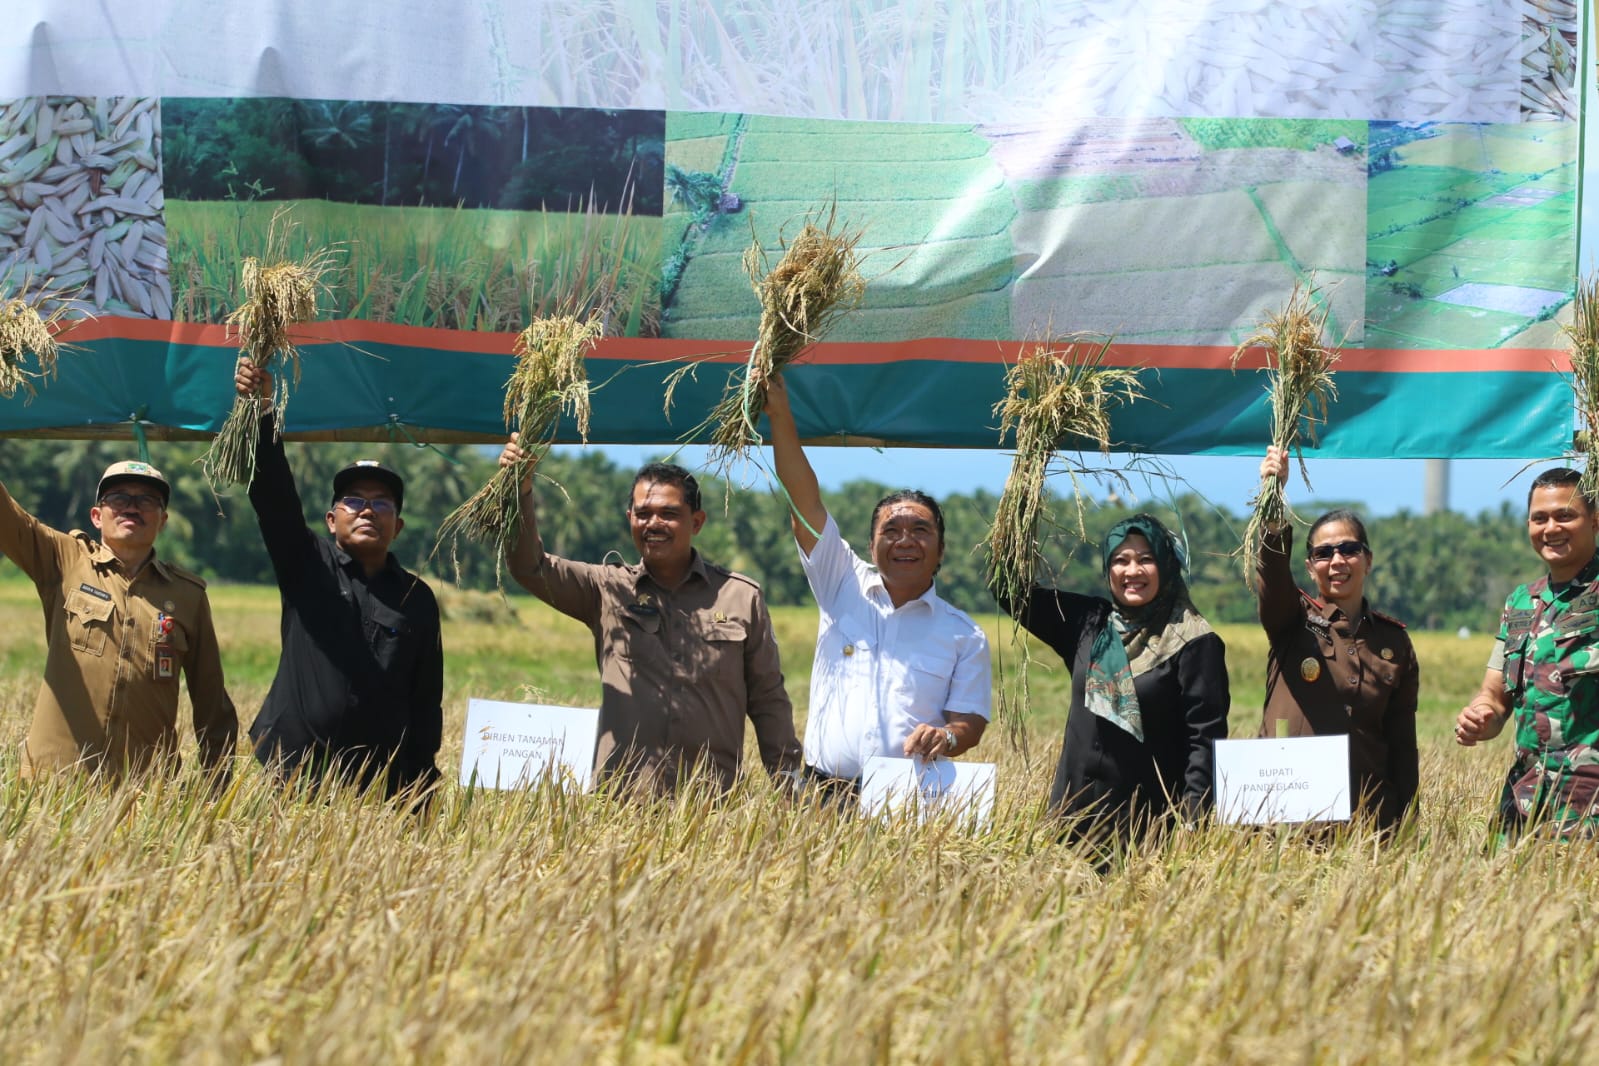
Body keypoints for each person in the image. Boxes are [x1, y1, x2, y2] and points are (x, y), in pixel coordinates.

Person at [499, 435, 801, 794]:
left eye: (669, 514)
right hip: (621, 803)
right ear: (630, 519)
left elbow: (768, 698)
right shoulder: (605, 588)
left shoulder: (740, 596)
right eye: (643, 514)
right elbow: (530, 568)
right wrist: (518, 489)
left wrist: (788, 784)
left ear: (697, 521)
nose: (653, 523)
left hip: (711, 807)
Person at [763, 374, 990, 800]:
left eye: (920, 530)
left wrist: (948, 737)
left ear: (941, 550)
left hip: (907, 800)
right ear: (871, 545)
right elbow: (803, 500)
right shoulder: (841, 583)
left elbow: (970, 721)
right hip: (819, 795)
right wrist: (780, 416)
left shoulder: (964, 635)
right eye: (892, 530)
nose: (905, 541)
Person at [235, 359, 442, 801]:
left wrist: (421, 786)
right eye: (354, 501)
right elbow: (273, 497)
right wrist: (260, 411)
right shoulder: (307, 565)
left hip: (377, 789)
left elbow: (426, 701)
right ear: (331, 520)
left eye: (382, 503)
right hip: (292, 777)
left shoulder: (415, 598)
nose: (367, 510)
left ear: (398, 526)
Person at [0, 458, 236, 780]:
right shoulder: (64, 560)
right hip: (54, 781)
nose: (132, 507)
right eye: (119, 498)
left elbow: (211, 702)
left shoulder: (188, 595)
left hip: (143, 792)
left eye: (147, 500)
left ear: (163, 520)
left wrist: (216, 791)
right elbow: (8, 519)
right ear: (97, 516)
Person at [998, 512, 1228, 842]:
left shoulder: (1192, 641)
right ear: (1108, 569)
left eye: (1146, 560)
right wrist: (1022, 500)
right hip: (1071, 824)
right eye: (1121, 560)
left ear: (1166, 565)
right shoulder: (1088, 622)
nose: (1132, 571)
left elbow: (1204, 739)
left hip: (1147, 831)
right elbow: (1008, 588)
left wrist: (1193, 819)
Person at [1256, 445, 1418, 832]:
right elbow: (1273, 579)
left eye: (1349, 549)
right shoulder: (1292, 621)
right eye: (1324, 553)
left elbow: (1401, 745)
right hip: (1287, 825)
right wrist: (1272, 501)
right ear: (1311, 568)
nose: (1337, 561)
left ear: (1368, 560)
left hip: (1366, 827)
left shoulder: (1394, 643)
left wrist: (1407, 825)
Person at [1455, 467, 1599, 837]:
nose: (1551, 528)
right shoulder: (1521, 602)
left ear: (1595, 521)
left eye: (1565, 515)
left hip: (1590, 806)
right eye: (1539, 518)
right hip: (1524, 804)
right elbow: (1495, 695)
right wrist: (1481, 716)